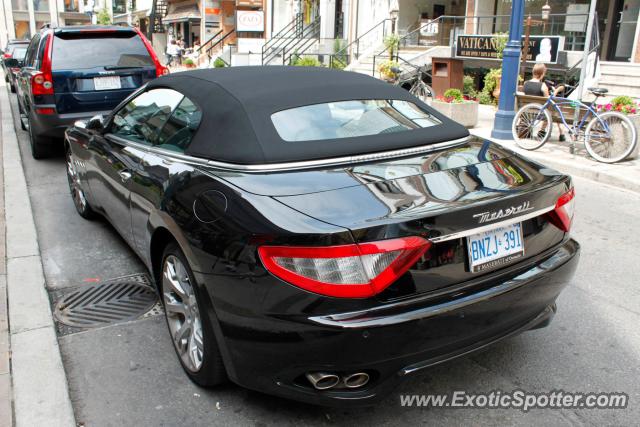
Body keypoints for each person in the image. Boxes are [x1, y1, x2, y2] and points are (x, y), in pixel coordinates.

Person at [523, 63, 566, 142]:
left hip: (527, 110)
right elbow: (547, 101)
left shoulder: (525, 83)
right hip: (540, 112)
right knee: (552, 108)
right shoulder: (543, 86)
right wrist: (555, 91)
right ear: (542, 73)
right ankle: (546, 131)